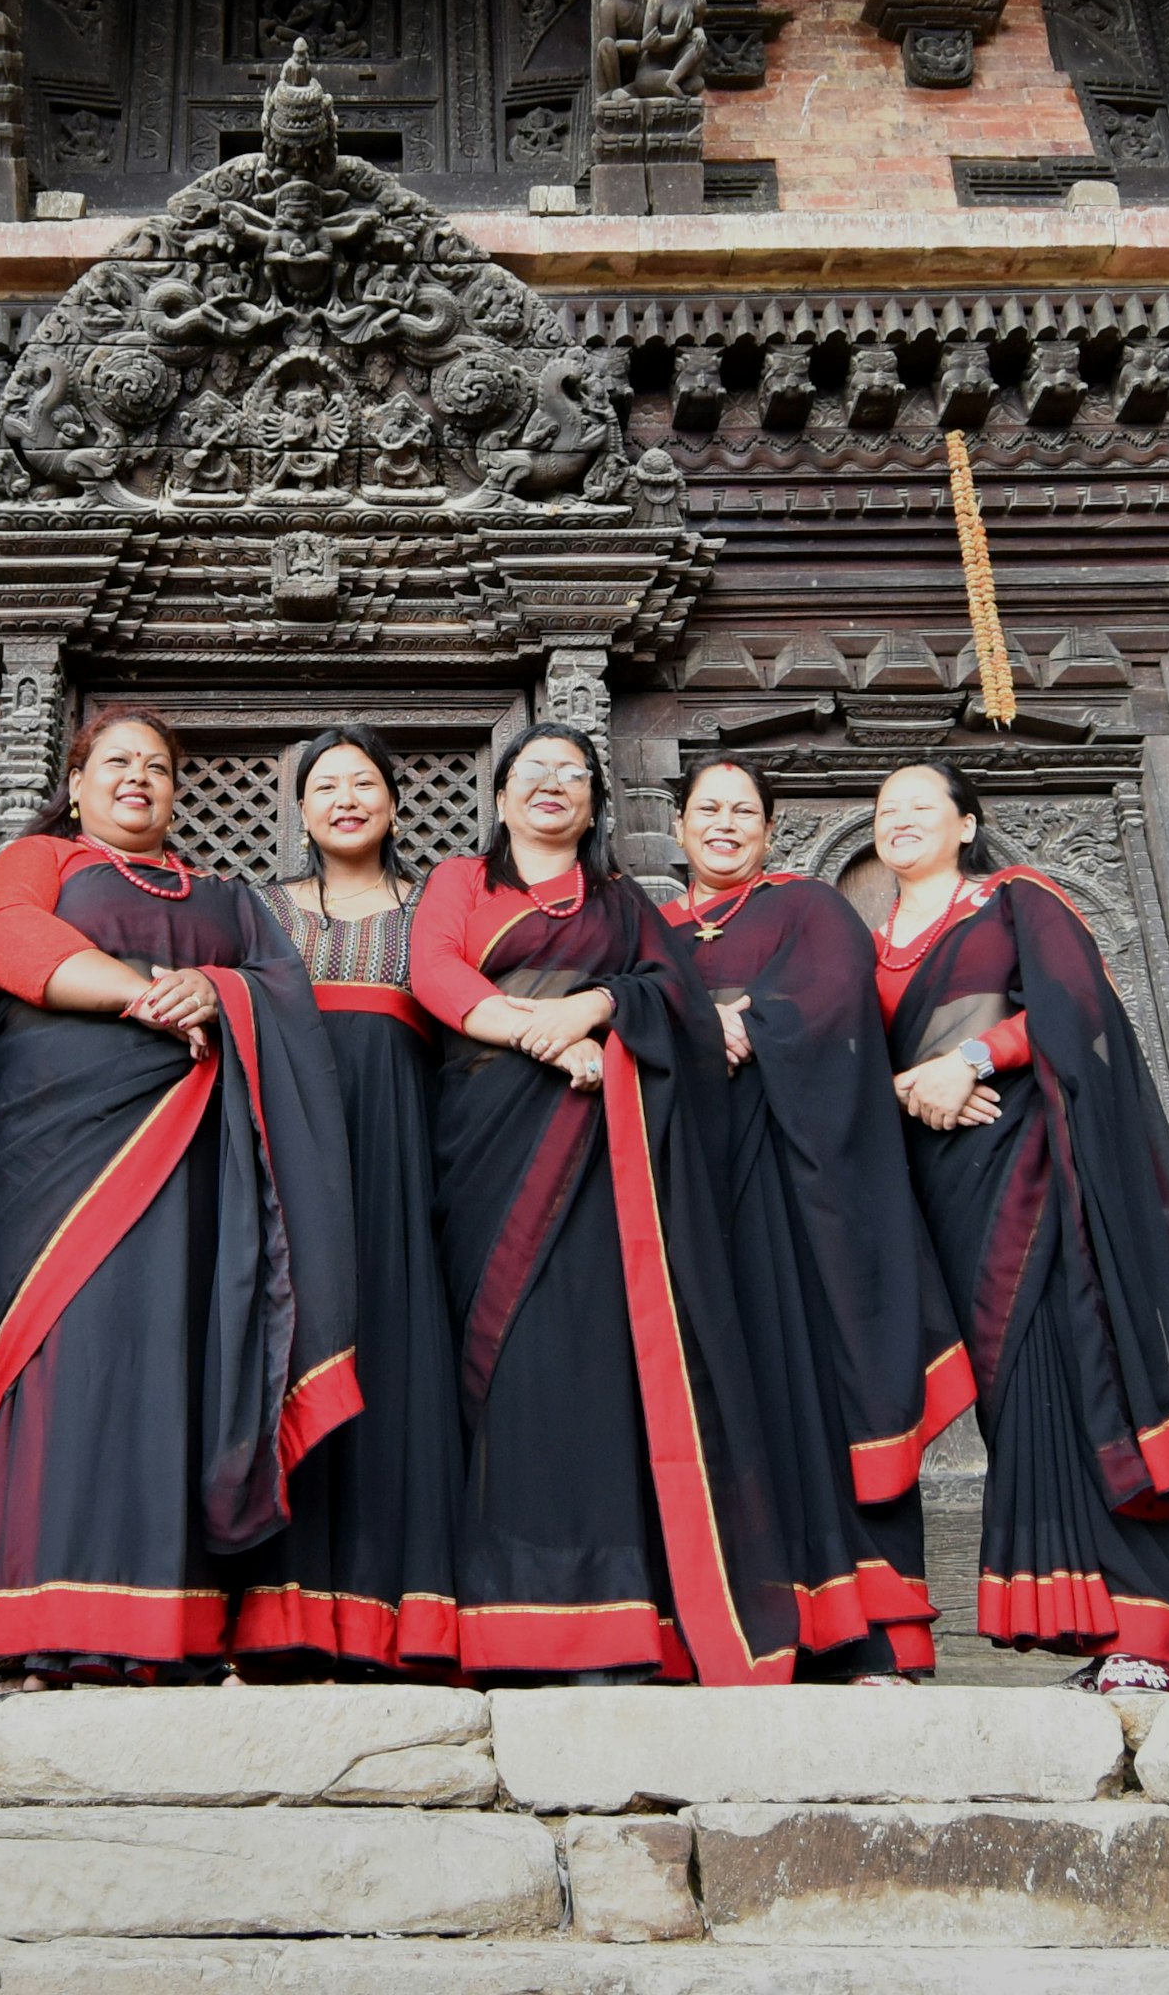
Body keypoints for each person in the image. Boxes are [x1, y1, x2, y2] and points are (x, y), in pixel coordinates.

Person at [407, 720, 864, 1685]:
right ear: (498, 799)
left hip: (607, 1163)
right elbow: (436, 973)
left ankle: (612, 1628)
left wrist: (596, 1008)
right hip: (488, 1145)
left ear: (593, 803)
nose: (552, 786)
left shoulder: (623, 903)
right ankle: (507, 1630)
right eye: (533, 771)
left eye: (572, 774)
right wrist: (542, 1035)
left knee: (596, 1375)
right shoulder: (461, 883)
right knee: (503, 1367)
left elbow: (671, 994)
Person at [0, 706, 365, 1691]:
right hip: (59, 1160)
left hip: (198, 1166)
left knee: (179, 1368)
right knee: (66, 1361)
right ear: (79, 777)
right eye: (116, 762)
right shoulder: (41, 860)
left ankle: (166, 1631)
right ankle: (39, 1625)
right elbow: (5, 940)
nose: (137, 778)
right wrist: (144, 992)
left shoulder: (226, 897)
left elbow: (280, 992)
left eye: (156, 767)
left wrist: (218, 995)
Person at [868, 761, 1169, 1695]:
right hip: (940, 1191)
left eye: (920, 805)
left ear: (966, 824)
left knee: (1091, 1372)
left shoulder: (1012, 900)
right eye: (885, 810)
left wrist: (976, 1054)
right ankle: (1089, 1626)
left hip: (1042, 1172)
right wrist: (912, 1084)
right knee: (1015, 1398)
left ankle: (1147, 1632)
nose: (899, 819)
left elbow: (1079, 1011)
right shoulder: (871, 946)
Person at [661, 756, 964, 1682]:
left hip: (795, 1204)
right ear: (677, 828)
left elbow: (835, 1002)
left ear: (769, 829)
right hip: (690, 1198)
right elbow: (631, 1011)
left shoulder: (806, 908)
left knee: (818, 1391)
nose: (724, 824)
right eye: (706, 810)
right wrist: (688, 1022)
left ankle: (865, 1636)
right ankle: (718, 1633)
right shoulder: (656, 929)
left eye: (743, 811)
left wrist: (748, 1020)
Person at [231, 725, 464, 1676]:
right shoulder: (260, 910)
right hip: (291, 1159)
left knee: (401, 1357)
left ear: (395, 804)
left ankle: (397, 1622)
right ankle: (282, 1622)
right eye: (325, 785)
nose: (346, 799)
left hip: (407, 1156)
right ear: (300, 810)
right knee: (291, 1348)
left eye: (364, 782)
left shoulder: (436, 910)